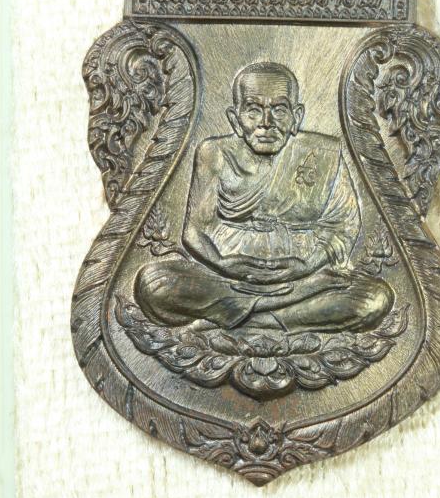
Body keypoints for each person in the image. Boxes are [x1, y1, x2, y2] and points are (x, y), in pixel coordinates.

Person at [135, 61, 393, 333]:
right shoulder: (215, 153)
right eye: (253, 110)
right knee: (154, 285)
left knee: (375, 299)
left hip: (304, 274)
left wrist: (305, 267)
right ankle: (283, 314)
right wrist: (224, 264)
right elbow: (195, 231)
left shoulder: (323, 154)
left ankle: (237, 316)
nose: (266, 123)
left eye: (279, 110)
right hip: (229, 277)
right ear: (235, 119)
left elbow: (344, 226)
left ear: (296, 116)